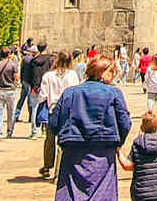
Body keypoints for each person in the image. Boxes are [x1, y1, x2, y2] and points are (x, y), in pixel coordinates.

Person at [48, 57, 131, 201]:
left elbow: (54, 123)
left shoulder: (69, 93)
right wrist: (118, 143)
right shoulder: (113, 93)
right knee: (103, 192)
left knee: (70, 192)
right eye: (112, 72)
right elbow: (125, 123)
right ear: (102, 72)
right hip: (103, 151)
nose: (114, 77)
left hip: (73, 150)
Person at [40, 51, 82, 179]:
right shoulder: (72, 75)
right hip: (68, 110)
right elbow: (76, 92)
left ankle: (47, 167)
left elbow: (42, 96)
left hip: (52, 110)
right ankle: (59, 172)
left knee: (49, 139)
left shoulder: (48, 75)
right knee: (62, 140)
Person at [118, 111, 157, 201]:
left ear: (142, 127)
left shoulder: (137, 144)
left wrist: (118, 151)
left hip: (141, 192)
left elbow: (127, 166)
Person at [0, 47, 20, 141]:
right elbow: (17, 78)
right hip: (10, 91)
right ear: (9, 54)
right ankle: (10, 131)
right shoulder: (13, 65)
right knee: (11, 112)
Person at [29, 45, 56, 140]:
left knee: (35, 108)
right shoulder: (51, 59)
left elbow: (30, 75)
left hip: (35, 87)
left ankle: (34, 131)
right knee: (48, 107)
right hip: (47, 86)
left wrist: (33, 85)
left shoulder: (33, 61)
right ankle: (45, 129)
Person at [17, 46, 37, 123]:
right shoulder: (32, 60)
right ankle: (31, 117)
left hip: (24, 81)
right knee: (30, 100)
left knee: (21, 100)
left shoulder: (24, 59)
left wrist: (21, 80)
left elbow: (22, 70)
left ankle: (16, 115)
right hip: (29, 82)